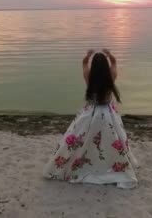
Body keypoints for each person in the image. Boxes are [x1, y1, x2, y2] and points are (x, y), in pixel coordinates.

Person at [43, 49, 138, 189]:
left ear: (93, 67)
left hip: (91, 113)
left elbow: (84, 64)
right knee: (111, 141)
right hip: (108, 115)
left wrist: (88, 56)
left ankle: (82, 165)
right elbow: (114, 63)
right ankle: (110, 165)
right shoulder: (110, 76)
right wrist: (110, 56)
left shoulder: (89, 76)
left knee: (82, 140)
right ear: (106, 67)